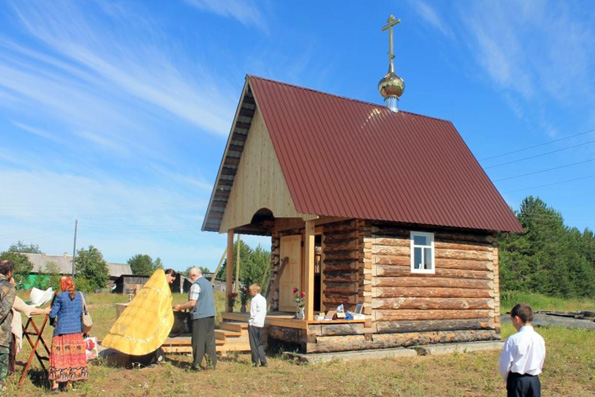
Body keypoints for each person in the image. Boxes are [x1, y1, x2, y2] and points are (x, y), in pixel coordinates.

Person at [48, 277, 88, 392]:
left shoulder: (60, 296)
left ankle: (55, 386)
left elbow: (52, 314)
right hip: (76, 332)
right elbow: (83, 312)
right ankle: (68, 385)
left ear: (63, 285)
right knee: (72, 357)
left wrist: (52, 322)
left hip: (62, 332)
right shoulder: (81, 295)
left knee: (58, 357)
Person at [499, 303, 546, 397]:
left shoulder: (513, 339)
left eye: (512, 320)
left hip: (517, 381)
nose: (513, 324)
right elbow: (541, 360)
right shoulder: (539, 338)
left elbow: (505, 363)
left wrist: (508, 378)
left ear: (517, 319)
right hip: (534, 381)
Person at [173, 267, 216, 370]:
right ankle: (212, 364)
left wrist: (180, 307)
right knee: (209, 341)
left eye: (189, 275)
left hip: (200, 316)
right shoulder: (208, 284)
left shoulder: (196, 285)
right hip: (210, 315)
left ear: (193, 275)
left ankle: (196, 364)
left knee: (198, 341)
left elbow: (192, 303)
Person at [9, 276, 51, 374]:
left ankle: (10, 367)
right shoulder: (11, 297)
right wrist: (45, 310)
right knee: (9, 352)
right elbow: (28, 310)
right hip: (9, 330)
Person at [0, 260, 16, 392]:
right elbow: (3, 311)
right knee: (2, 360)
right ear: (9, 272)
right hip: (1, 334)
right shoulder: (7, 288)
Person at [248, 283, 267, 367]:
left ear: (254, 291)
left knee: (253, 343)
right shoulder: (263, 299)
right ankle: (263, 361)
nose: (250, 292)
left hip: (254, 323)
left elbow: (253, 312)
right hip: (260, 323)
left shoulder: (254, 300)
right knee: (259, 343)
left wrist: (251, 321)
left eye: (250, 291)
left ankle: (255, 361)